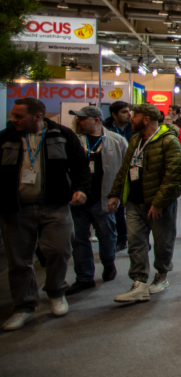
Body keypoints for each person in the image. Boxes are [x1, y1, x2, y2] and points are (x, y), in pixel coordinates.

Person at [0, 98, 91, 331]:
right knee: (19, 260)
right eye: (14, 115)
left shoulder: (62, 135)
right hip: (15, 209)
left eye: (19, 116)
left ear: (37, 117)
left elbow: (81, 166)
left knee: (60, 251)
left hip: (55, 206)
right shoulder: (6, 138)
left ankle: (56, 292)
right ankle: (24, 306)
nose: (14, 120)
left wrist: (81, 189)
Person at [108, 104, 181, 303]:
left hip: (159, 204)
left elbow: (175, 175)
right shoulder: (134, 140)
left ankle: (161, 275)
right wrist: (115, 194)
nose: (130, 119)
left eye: (135, 116)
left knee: (162, 243)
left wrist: (159, 203)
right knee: (135, 243)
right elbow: (125, 170)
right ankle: (139, 282)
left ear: (145, 120)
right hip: (134, 202)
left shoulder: (169, 141)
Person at [66, 106, 128, 295]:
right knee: (79, 239)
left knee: (107, 237)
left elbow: (126, 170)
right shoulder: (74, 141)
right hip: (78, 200)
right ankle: (84, 277)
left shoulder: (117, 141)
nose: (79, 122)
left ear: (96, 120)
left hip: (105, 199)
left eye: (83, 118)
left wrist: (120, 196)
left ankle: (108, 264)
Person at [104, 100, 132, 251]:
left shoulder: (133, 128)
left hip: (133, 172)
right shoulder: (106, 131)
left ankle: (130, 238)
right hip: (114, 173)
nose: (128, 115)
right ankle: (120, 238)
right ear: (114, 115)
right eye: (124, 112)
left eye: (128, 111)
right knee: (116, 209)